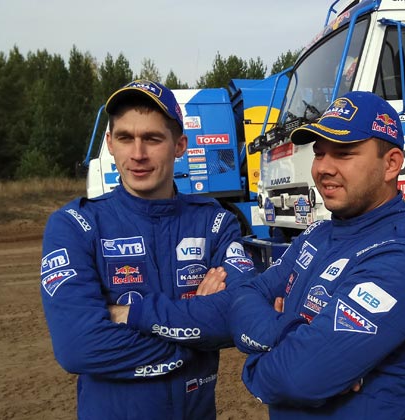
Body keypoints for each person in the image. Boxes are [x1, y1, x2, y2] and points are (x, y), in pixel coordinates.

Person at [110, 91, 405, 419]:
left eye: (344, 154)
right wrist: (291, 336)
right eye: (319, 153)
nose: (323, 168)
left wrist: (255, 364)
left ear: (391, 164)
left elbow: (298, 377)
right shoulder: (317, 234)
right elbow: (242, 295)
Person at [40, 79, 255, 420]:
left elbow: (242, 317)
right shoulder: (75, 225)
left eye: (153, 139)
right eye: (126, 138)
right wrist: (193, 336)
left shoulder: (215, 222)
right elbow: (78, 347)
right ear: (110, 144)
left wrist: (130, 315)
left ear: (179, 145)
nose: (138, 154)